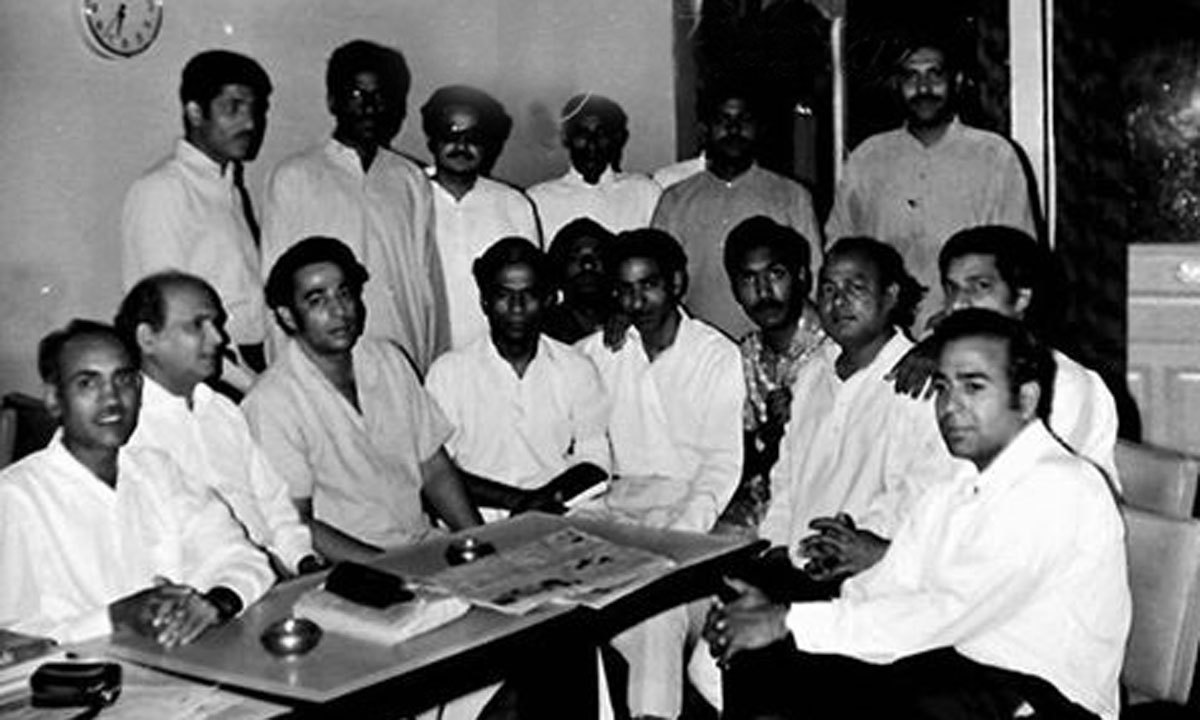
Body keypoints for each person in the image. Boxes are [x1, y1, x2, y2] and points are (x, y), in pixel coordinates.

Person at [707, 309, 1130, 720]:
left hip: (1041, 688)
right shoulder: (959, 483)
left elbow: (949, 609)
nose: (950, 407)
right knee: (770, 656)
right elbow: (894, 581)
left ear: (1026, 397)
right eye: (944, 388)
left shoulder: (1059, 486)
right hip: (959, 656)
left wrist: (790, 621)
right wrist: (782, 614)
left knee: (846, 686)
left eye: (974, 387)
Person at [0, 321, 273, 644]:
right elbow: (11, 640)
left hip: (185, 671)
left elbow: (243, 558)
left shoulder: (157, 471)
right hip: (78, 683)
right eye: (88, 383)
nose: (112, 399)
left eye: (124, 379)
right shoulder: (17, 499)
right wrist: (114, 618)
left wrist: (214, 603)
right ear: (54, 399)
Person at [575, 229, 743, 720]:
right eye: (624, 289)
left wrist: (674, 540)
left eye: (648, 285)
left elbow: (721, 464)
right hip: (614, 518)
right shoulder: (596, 353)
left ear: (675, 282)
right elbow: (585, 456)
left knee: (655, 614)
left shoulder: (714, 355)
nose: (636, 300)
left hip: (689, 522)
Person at [242, 237, 481, 563]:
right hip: (350, 573)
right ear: (287, 316)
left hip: (425, 548)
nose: (338, 310)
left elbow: (434, 470)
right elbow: (295, 521)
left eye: (344, 292)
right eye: (316, 300)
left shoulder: (388, 360)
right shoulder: (272, 401)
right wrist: (389, 569)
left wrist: (478, 542)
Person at [116, 272, 322, 578]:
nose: (218, 338)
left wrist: (304, 562)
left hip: (278, 579)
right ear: (148, 339)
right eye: (197, 325)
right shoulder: (129, 430)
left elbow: (275, 508)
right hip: (212, 596)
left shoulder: (222, 411)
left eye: (216, 323)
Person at [825, 35, 1036, 330]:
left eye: (934, 74)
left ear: (957, 80)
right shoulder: (868, 159)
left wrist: (948, 328)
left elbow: (1016, 266)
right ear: (897, 84)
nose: (923, 88)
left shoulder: (995, 157)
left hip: (968, 334)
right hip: (881, 343)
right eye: (911, 76)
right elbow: (841, 253)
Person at [262, 40, 447, 373]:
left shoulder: (409, 179)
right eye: (357, 95)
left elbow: (428, 285)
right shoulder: (296, 177)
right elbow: (275, 287)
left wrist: (429, 370)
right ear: (333, 101)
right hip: (323, 366)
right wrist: (284, 374)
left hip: (401, 360)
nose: (370, 107)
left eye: (380, 96)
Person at [890, 225, 1119, 483]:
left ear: (1021, 299)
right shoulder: (940, 374)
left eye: (979, 287)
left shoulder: (1063, 385)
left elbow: (1009, 491)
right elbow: (903, 481)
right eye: (951, 289)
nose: (957, 305)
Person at [425, 237, 610, 520]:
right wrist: (522, 503)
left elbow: (595, 462)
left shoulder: (575, 366)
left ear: (547, 299)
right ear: (485, 302)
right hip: (475, 519)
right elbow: (436, 473)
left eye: (529, 294)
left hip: (561, 512)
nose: (517, 307)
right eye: (503, 295)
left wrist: (544, 503)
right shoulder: (449, 373)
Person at [121, 50, 272, 388]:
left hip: (248, 371)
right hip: (208, 379)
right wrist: (249, 387)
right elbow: (164, 319)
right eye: (233, 107)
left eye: (255, 109)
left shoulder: (230, 189)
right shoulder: (161, 190)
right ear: (195, 112)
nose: (250, 123)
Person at [652, 86, 821, 341]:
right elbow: (657, 282)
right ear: (704, 130)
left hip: (778, 349)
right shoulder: (675, 200)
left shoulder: (791, 196)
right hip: (699, 353)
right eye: (723, 120)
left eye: (744, 120)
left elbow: (813, 279)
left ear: (759, 129)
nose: (734, 129)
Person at [713, 216, 828, 535]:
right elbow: (743, 455)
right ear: (735, 290)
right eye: (749, 279)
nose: (764, 291)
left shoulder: (836, 347)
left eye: (776, 274)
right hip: (763, 506)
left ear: (803, 277)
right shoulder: (745, 355)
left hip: (828, 508)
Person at [420, 85, 540, 348]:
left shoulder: (513, 204)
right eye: (451, 133)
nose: (462, 146)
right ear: (432, 139)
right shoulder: (411, 197)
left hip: (495, 355)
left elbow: (533, 290)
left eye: (474, 137)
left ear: (489, 144)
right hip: (424, 350)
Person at [528, 94, 661, 241]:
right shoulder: (539, 200)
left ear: (617, 138)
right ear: (565, 138)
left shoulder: (644, 193)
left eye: (601, 134)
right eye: (582, 135)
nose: (592, 145)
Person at [542, 217, 616, 344]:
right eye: (574, 258)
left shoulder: (632, 317)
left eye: (597, 256)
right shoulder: (544, 329)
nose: (588, 265)